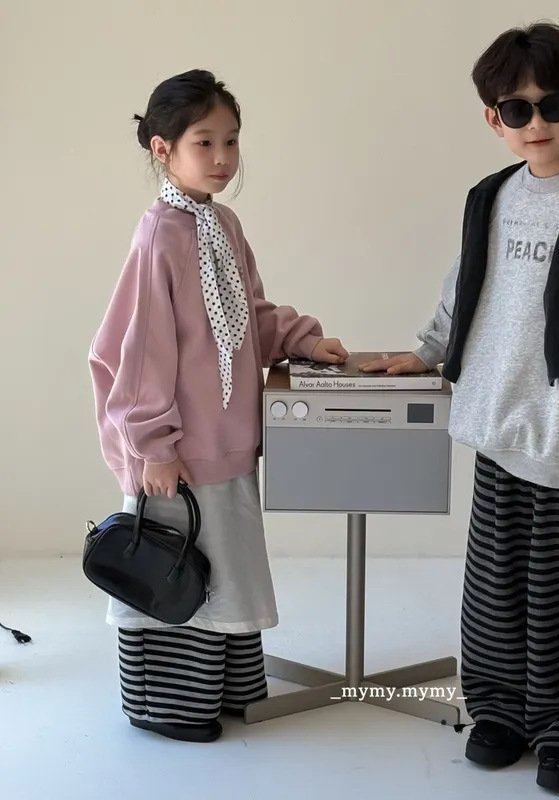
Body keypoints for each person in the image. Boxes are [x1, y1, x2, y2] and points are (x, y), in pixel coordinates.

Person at [361, 22, 559, 795]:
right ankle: (501, 711)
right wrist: (429, 351)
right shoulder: (492, 198)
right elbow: (465, 291)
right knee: (496, 588)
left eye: (553, 105)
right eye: (516, 110)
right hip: (499, 422)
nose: (536, 123)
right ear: (492, 117)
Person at [88, 69, 347, 744]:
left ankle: (225, 690)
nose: (224, 156)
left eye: (231, 140)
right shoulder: (159, 236)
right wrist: (153, 446)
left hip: (226, 441)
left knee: (221, 569)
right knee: (171, 571)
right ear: (163, 149)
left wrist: (303, 340)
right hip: (175, 453)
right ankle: (167, 706)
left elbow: (247, 315)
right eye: (205, 142)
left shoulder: (221, 224)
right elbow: (140, 350)